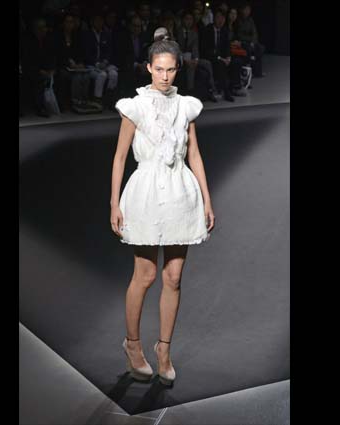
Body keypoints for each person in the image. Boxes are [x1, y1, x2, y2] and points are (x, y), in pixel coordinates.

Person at [110, 37, 216, 385]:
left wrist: (207, 199)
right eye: (159, 69)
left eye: (171, 69)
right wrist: (114, 203)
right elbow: (120, 157)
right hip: (146, 193)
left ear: (177, 69)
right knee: (145, 275)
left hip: (180, 192)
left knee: (173, 277)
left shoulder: (186, 106)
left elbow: (194, 154)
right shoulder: (135, 107)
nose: (165, 76)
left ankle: (164, 350)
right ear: (149, 68)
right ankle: (132, 344)